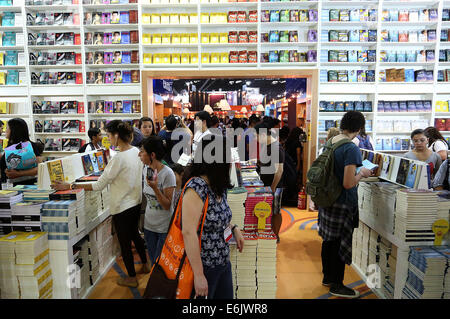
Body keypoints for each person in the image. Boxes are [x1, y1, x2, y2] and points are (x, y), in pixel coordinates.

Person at [51, 120, 150, 288]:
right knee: (134, 234)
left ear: (117, 136)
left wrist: (69, 186)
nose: (108, 139)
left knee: (125, 243)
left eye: (109, 136)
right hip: (135, 202)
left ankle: (131, 278)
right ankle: (146, 265)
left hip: (122, 206)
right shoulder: (135, 151)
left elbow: (98, 185)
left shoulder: (118, 158)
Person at [181, 135, 244, 299]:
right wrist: (199, 275)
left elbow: (219, 217)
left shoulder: (218, 184)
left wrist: (234, 228)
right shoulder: (197, 187)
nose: (230, 161)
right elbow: (188, 232)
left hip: (222, 262)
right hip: (204, 266)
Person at [318, 111, 373, 298]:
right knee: (340, 244)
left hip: (328, 198)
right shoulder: (350, 148)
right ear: (359, 128)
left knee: (329, 241)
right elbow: (349, 182)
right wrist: (363, 173)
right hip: (342, 202)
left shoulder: (332, 141)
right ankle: (337, 284)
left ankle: (328, 277)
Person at [139, 136, 176, 265]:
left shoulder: (168, 174)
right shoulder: (146, 169)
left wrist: (155, 188)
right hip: (149, 226)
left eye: (142, 151)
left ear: (152, 155)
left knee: (162, 264)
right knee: (154, 262)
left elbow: (167, 205)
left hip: (164, 228)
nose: (139, 154)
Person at [254, 120, 285, 243]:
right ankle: (270, 233)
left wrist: (272, 188)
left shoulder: (276, 148)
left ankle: (275, 235)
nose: (255, 139)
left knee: (276, 211)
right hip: (266, 184)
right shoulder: (267, 146)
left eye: (256, 136)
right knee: (269, 210)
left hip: (275, 186)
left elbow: (279, 171)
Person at [1, 118, 44, 187]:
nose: (5, 131)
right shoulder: (9, 147)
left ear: (14, 130)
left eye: (7, 128)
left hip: (26, 187)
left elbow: (40, 168)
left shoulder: (30, 146)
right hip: (8, 187)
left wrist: (19, 173)